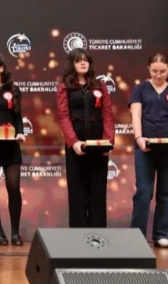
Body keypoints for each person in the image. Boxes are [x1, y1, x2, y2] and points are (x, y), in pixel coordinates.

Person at [130, 53, 168, 248]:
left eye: (162, 71)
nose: (158, 75)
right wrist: (139, 138)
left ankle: (161, 234)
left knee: (166, 193)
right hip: (145, 148)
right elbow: (136, 115)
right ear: (148, 69)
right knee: (144, 192)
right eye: (154, 71)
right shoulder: (139, 90)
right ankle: (136, 236)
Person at [56, 48, 114, 228]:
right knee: (77, 190)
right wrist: (73, 142)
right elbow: (64, 116)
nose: (83, 63)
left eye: (86, 60)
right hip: (76, 144)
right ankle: (78, 233)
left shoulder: (100, 86)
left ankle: (98, 233)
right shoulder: (64, 87)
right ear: (72, 64)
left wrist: (108, 142)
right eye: (78, 60)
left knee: (98, 190)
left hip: (98, 144)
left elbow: (107, 114)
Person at [0, 53, 25, 246]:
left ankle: (15, 233)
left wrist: (20, 132)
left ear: (1, 68)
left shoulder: (13, 90)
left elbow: (18, 116)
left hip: (10, 146)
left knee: (13, 187)